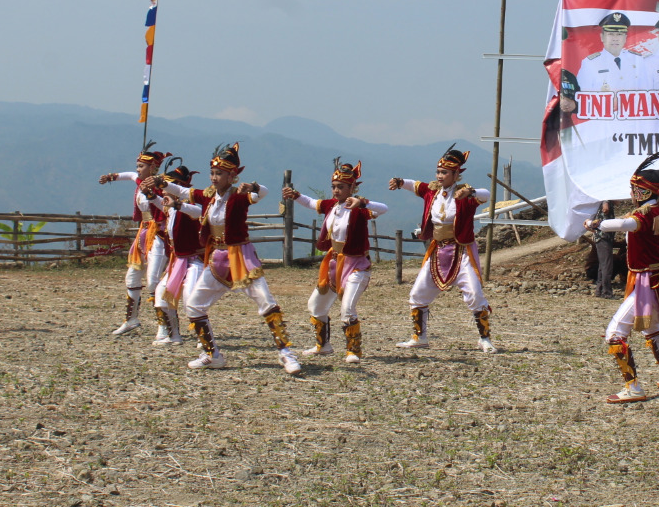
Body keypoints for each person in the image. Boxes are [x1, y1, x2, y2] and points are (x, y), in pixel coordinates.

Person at [151, 143, 300, 373]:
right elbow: (183, 192)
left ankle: (286, 354)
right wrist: (162, 184)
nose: (213, 177)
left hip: (240, 256)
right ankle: (212, 354)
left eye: (219, 173)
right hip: (217, 259)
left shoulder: (239, 197)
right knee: (194, 305)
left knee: (266, 302)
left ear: (232, 176)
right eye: (212, 173)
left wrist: (254, 185)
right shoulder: (208, 197)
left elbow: (262, 193)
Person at [582, 151, 659, 402]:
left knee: (615, 333)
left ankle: (633, 387)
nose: (632, 193)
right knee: (655, 329)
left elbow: (625, 225)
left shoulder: (643, 216)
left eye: (635, 189)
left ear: (644, 192)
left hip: (648, 283)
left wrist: (596, 224)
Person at [388, 145, 496, 353]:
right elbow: (415, 185)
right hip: (438, 251)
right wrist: (400, 182)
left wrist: (470, 191)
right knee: (418, 294)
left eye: (445, 172)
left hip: (461, 251)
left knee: (474, 293)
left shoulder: (465, 195)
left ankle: (485, 338)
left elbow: (487, 194)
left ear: (456, 175)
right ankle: (419, 337)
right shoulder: (432, 192)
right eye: (438, 171)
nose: (440, 176)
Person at [283, 159, 387, 363]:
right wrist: (295, 196)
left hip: (356, 265)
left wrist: (363, 202)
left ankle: (353, 351)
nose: (336, 191)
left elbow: (384, 208)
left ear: (352, 187)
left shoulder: (360, 209)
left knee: (347, 308)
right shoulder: (332, 205)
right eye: (334, 187)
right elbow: (312, 203)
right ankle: (323, 346)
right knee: (316, 306)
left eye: (341, 187)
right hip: (333, 264)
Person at [98, 144, 171, 337]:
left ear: (152, 168)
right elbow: (129, 175)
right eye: (138, 166)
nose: (138, 169)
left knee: (153, 281)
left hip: (159, 234)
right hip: (143, 232)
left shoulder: (162, 184)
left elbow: (164, 208)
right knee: (132, 276)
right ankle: (131, 319)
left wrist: (153, 192)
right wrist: (110, 177)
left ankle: (164, 325)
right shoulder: (138, 181)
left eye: (141, 166)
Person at [151, 160, 202, 346]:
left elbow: (198, 212)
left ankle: (202, 338)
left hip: (195, 260)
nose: (162, 189)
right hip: (177, 261)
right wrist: (150, 195)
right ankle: (173, 335)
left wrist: (178, 205)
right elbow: (161, 204)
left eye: (166, 185)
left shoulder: (189, 205)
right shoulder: (170, 208)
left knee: (191, 299)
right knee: (161, 293)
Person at [560, 12, 644, 113]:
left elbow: (649, 94)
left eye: (620, 34)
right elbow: (582, 98)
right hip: (604, 122)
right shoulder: (590, 63)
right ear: (602, 37)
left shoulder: (638, 60)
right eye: (610, 34)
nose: (615, 38)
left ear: (625, 38)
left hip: (634, 121)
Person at [589, 201, 617, 298]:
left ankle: (599, 290)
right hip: (604, 237)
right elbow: (605, 209)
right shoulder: (606, 200)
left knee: (603, 265)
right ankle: (607, 292)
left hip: (602, 237)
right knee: (607, 266)